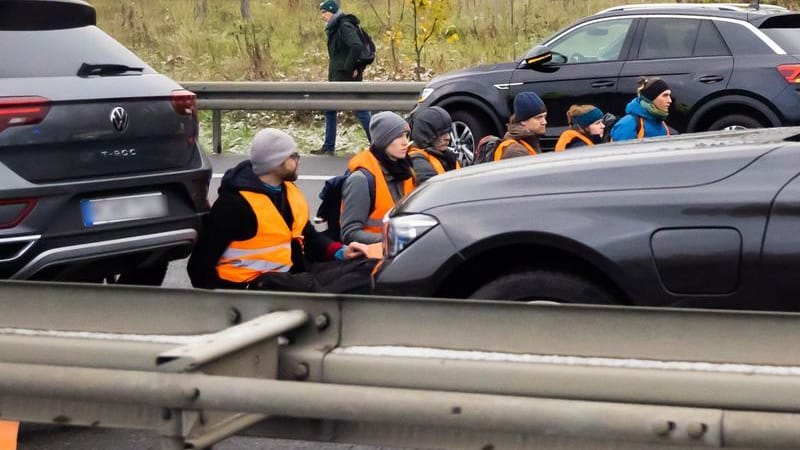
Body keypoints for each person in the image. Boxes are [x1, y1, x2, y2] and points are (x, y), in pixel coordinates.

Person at [187, 128, 374, 293]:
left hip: (293, 275)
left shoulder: (289, 191)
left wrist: (341, 252)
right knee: (329, 285)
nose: (298, 161)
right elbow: (199, 267)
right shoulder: (234, 205)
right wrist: (228, 302)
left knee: (369, 268)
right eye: (293, 156)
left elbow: (308, 236)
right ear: (276, 162)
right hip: (254, 287)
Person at [340, 111, 415, 244]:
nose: (405, 142)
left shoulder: (406, 170)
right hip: (371, 258)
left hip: (401, 253)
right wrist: (392, 240)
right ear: (383, 141)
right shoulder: (361, 180)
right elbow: (349, 233)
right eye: (398, 137)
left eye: (406, 136)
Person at [312, 0, 371, 155]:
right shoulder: (335, 27)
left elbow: (356, 46)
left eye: (324, 12)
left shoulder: (343, 26)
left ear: (332, 11)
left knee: (360, 110)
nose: (322, 16)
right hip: (338, 76)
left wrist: (349, 68)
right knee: (330, 109)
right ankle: (328, 147)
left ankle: (378, 145)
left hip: (346, 77)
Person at [610, 77, 672, 142]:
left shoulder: (662, 123)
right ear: (651, 98)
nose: (670, 100)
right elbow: (620, 151)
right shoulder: (627, 124)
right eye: (665, 95)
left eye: (669, 95)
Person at [408, 106, 460, 184]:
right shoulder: (417, 160)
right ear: (426, 134)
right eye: (441, 133)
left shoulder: (446, 156)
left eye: (448, 132)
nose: (448, 137)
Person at [493, 91, 547, 160]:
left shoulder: (529, 141)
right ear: (523, 121)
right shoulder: (515, 152)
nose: (544, 122)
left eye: (544, 117)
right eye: (538, 118)